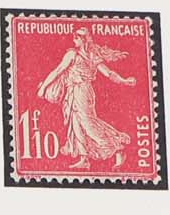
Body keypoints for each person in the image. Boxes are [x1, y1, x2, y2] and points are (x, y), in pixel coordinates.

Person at [35, 29, 136, 169]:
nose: (74, 41)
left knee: (88, 122)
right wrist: (44, 87)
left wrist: (124, 81)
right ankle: (84, 158)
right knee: (76, 123)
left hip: (82, 91)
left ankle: (118, 147)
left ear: (83, 40)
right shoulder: (76, 54)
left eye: (76, 38)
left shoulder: (85, 55)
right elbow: (58, 71)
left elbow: (108, 73)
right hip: (73, 92)